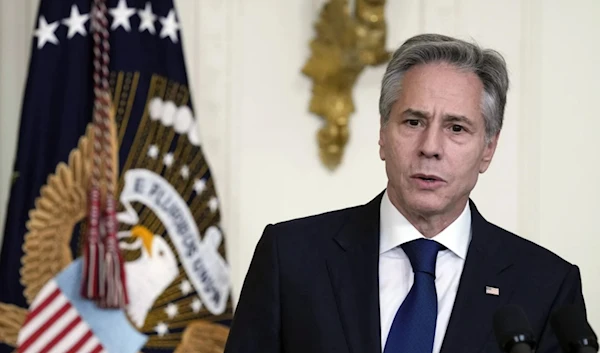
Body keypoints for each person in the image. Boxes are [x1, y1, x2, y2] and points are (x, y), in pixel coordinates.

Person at [223, 34, 587, 353]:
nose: (430, 147)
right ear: (383, 134)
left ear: (488, 149)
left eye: (456, 128)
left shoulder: (545, 286)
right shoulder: (290, 258)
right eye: (413, 122)